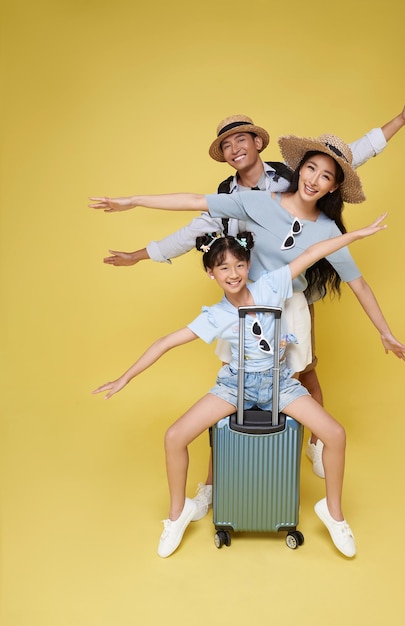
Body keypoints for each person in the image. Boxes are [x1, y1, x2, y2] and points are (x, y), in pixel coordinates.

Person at [94, 88, 405, 478]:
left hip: (290, 299)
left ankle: (316, 444)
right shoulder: (238, 198)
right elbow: (191, 220)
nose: (234, 147)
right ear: (223, 155)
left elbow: (345, 159)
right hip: (248, 300)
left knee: (302, 376)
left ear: (257, 142)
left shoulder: (295, 185)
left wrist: (400, 121)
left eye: (241, 138)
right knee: (237, 383)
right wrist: (138, 236)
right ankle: (215, 480)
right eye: (226, 144)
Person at [92, 213, 390, 558]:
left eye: (238, 265)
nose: (232, 274)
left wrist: (357, 235)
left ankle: (333, 514)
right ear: (210, 273)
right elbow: (164, 342)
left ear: (248, 265)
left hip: (279, 383)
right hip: (237, 387)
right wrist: (124, 378)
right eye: (223, 268)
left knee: (335, 434)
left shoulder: (271, 285)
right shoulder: (215, 315)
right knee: (174, 437)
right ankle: (177, 514)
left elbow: (311, 254)